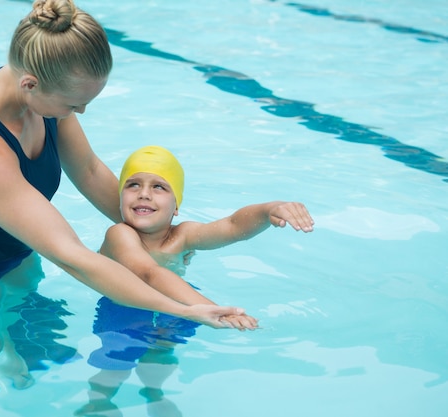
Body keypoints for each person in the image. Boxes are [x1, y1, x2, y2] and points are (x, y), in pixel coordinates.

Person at [0, 1, 247, 415]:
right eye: (74, 105)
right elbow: (73, 257)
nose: (80, 112)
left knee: (25, 330)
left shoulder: (38, 80)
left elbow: (87, 170)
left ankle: (15, 357)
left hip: (21, 251)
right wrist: (184, 309)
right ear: (30, 85)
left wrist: (159, 237)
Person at [76, 145, 314, 415]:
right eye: (133, 185)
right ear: (120, 199)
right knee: (115, 359)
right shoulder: (120, 234)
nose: (144, 193)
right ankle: (101, 400)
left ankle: (154, 392)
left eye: (159, 187)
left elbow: (233, 227)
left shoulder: (183, 236)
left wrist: (268, 210)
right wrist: (209, 308)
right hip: (125, 306)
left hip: (181, 299)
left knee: (163, 352)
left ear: (176, 206)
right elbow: (148, 273)